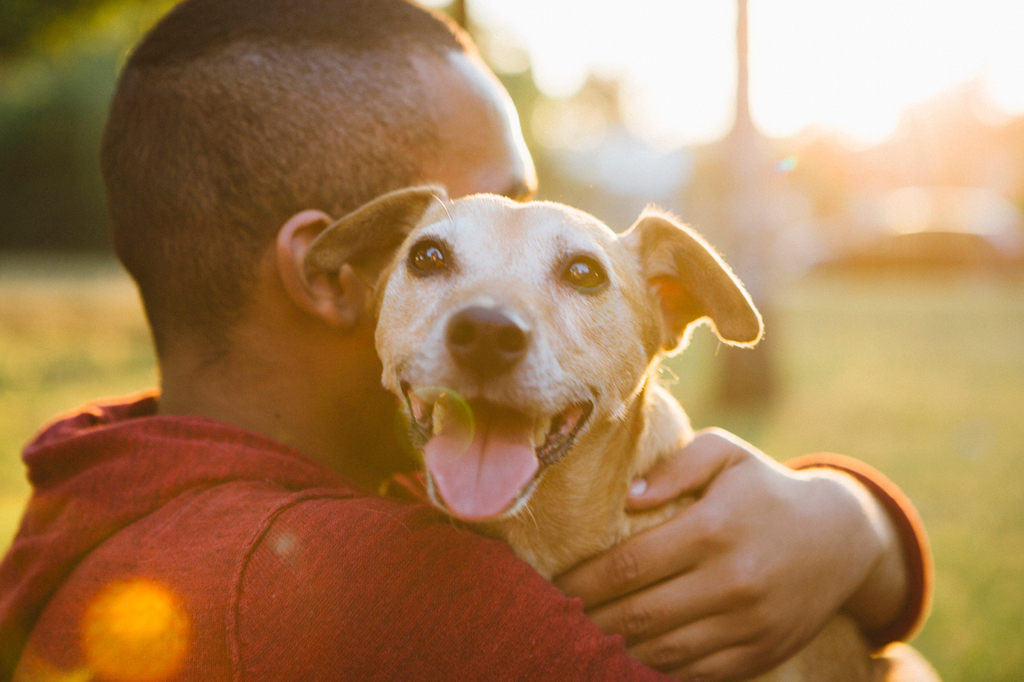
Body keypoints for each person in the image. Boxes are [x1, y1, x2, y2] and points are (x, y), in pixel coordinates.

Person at [0, 0, 931, 680]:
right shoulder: (413, 595)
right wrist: (864, 537)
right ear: (337, 273)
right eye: (444, 251)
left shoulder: (99, 488)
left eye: (569, 268)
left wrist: (855, 523)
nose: (497, 312)